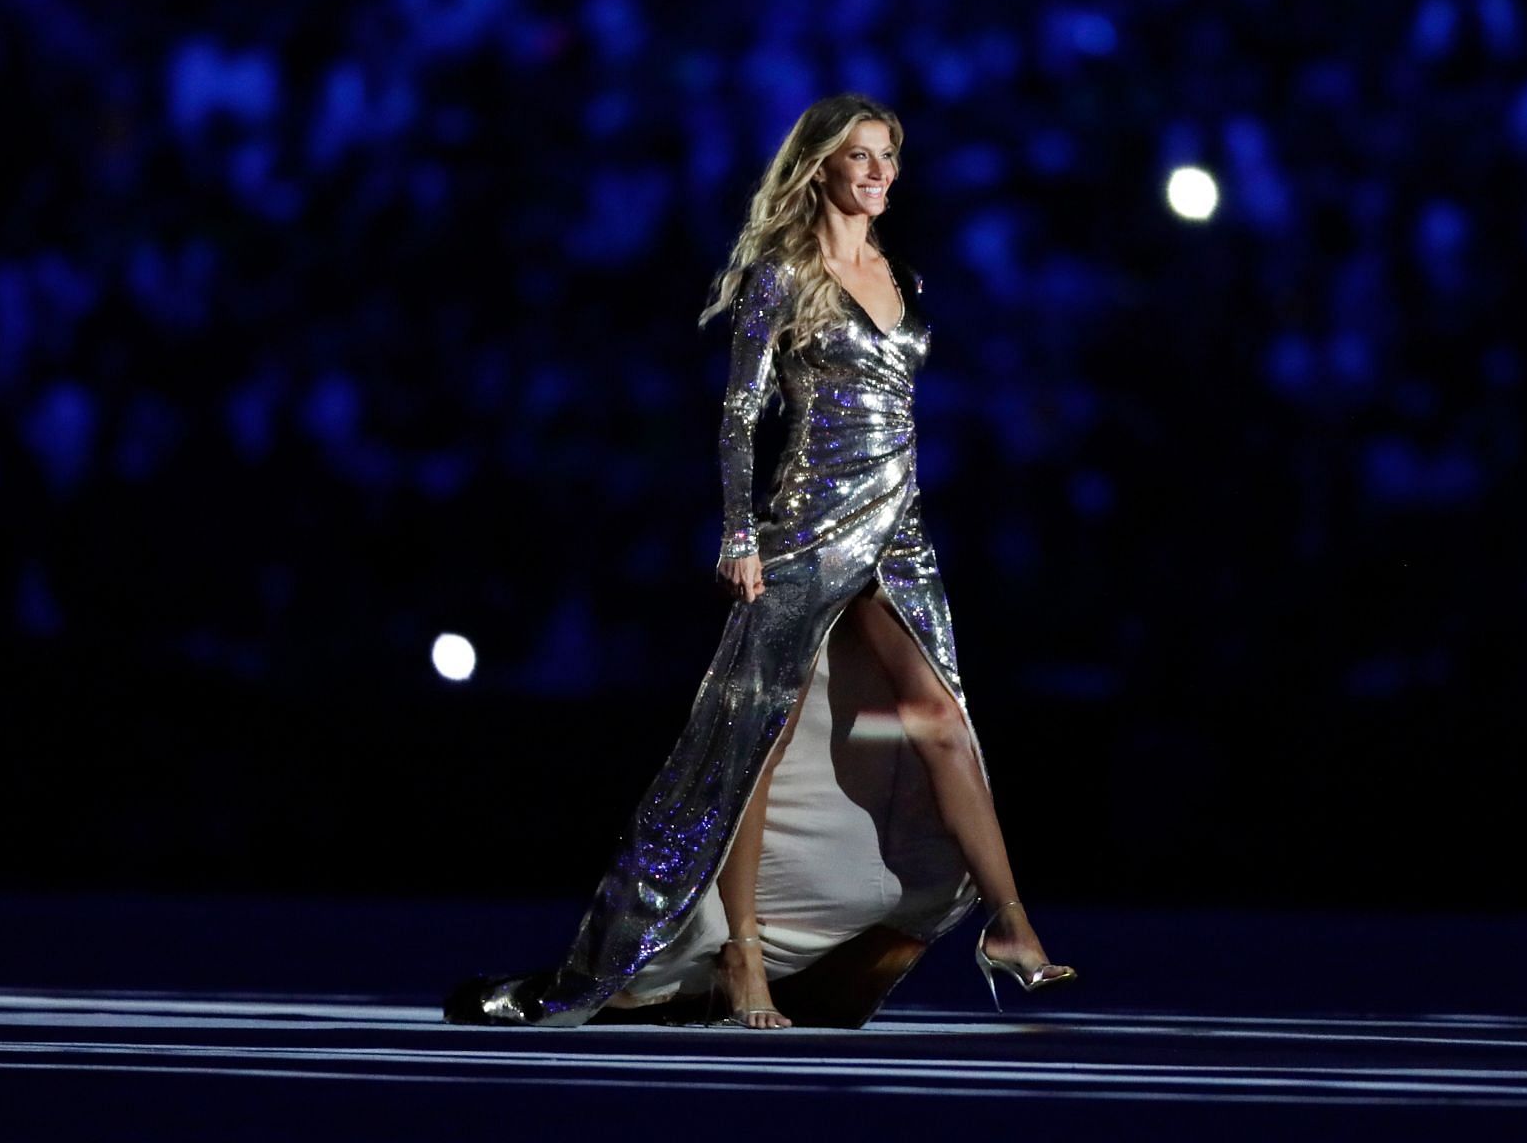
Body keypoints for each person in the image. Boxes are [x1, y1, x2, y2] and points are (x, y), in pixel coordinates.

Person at [444, 93, 1074, 1030]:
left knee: (940, 719)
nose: (879, 173)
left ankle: (1011, 925)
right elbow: (741, 415)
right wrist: (740, 533)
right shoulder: (784, 275)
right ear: (819, 164)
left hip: (898, 527)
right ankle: (742, 957)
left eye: (890, 158)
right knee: (756, 747)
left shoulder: (905, 278)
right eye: (860, 156)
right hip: (808, 527)